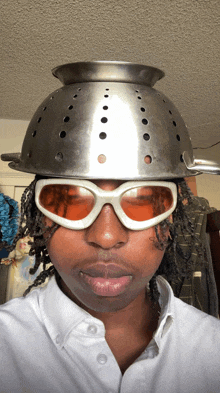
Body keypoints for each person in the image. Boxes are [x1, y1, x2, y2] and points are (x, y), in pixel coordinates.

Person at [1, 61, 220, 393]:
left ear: (171, 216)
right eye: (70, 200)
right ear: (40, 215)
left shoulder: (212, 351)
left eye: (143, 200)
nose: (105, 236)